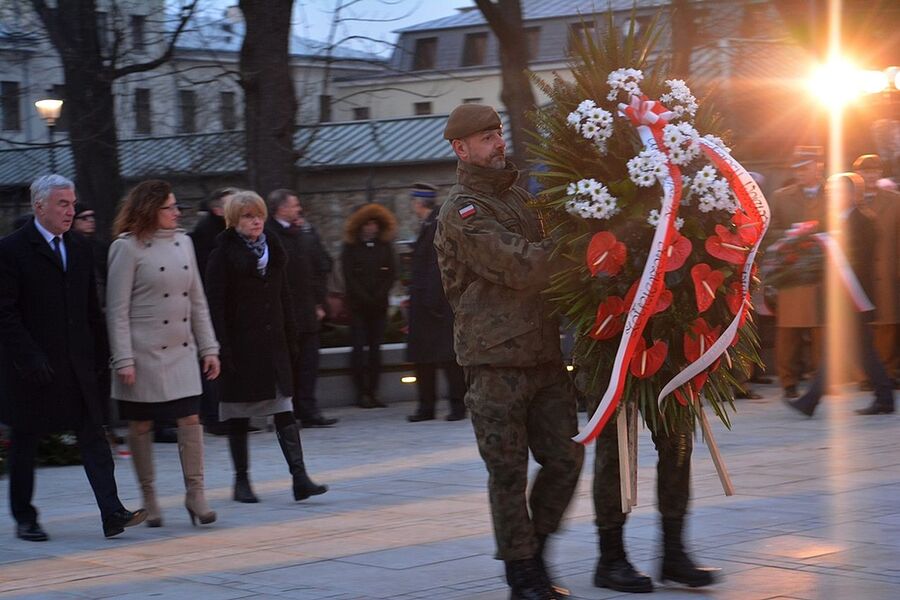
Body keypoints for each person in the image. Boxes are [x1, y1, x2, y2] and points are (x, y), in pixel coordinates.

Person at [433, 104, 584, 599]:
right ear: (460, 149)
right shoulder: (462, 211)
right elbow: (521, 266)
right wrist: (582, 244)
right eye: (484, 137)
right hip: (494, 361)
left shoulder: (521, 199)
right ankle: (523, 579)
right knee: (508, 472)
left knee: (565, 458)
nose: (498, 142)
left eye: (498, 132)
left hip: (542, 355)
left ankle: (534, 554)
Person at [0, 174, 146, 541]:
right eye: (62, 204)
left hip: (78, 364)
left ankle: (112, 512)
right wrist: (28, 356)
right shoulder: (12, 250)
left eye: (72, 204)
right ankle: (25, 517)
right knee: (26, 442)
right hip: (31, 369)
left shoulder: (80, 248)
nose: (71, 211)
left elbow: (90, 309)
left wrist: (103, 353)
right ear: (39, 207)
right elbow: (5, 312)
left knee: (93, 437)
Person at [106, 179, 221, 527]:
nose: (176, 212)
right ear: (149, 210)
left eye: (176, 206)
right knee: (141, 424)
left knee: (190, 420)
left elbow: (197, 301)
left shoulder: (184, 242)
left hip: (181, 351)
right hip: (143, 354)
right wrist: (123, 358)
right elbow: (116, 309)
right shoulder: (127, 248)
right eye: (169, 207)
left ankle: (196, 495)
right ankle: (150, 498)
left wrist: (209, 347)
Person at [205, 191, 328, 503]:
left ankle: (300, 477)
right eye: (248, 216)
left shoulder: (273, 249)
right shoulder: (222, 254)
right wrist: (219, 347)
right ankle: (241, 481)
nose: (256, 220)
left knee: (284, 410)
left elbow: (282, 297)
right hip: (240, 347)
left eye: (258, 214)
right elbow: (215, 305)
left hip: (273, 347)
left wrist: (290, 336)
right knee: (237, 415)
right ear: (234, 220)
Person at [785, 173, 895, 417]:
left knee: (844, 349)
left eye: (837, 191)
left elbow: (862, 260)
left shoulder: (865, 220)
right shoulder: (829, 220)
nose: (831, 195)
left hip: (854, 295)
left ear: (851, 194)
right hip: (838, 296)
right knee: (861, 349)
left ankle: (811, 401)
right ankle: (884, 397)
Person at [267, 189, 338, 428]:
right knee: (288, 367)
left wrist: (320, 303)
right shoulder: (269, 234)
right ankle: (288, 413)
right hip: (283, 315)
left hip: (308, 312)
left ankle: (309, 411)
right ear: (281, 209)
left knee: (309, 365)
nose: (298, 209)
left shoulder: (305, 232)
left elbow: (321, 265)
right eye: (294, 205)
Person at [768, 147, 826, 399]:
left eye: (806, 167)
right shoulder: (782, 196)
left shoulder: (834, 194)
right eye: (798, 168)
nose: (801, 172)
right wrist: (793, 235)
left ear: (819, 166)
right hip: (791, 273)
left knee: (821, 329)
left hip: (822, 272)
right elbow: (770, 231)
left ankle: (822, 379)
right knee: (788, 331)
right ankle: (788, 380)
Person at [406, 182, 466, 422]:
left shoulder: (435, 226)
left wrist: (432, 302)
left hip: (434, 305)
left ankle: (455, 405)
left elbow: (435, 265)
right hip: (426, 305)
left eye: (413, 201)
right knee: (425, 358)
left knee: (447, 359)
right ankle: (426, 406)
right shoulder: (428, 225)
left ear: (419, 203)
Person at [189, 188, 236, 436]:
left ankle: (226, 414)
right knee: (212, 362)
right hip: (211, 308)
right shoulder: (207, 235)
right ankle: (213, 416)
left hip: (224, 307)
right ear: (218, 210)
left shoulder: (225, 232)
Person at [341, 203, 397, 409]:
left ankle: (373, 391)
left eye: (374, 223)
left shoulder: (385, 246)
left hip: (378, 307)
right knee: (358, 349)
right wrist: (364, 296)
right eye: (367, 224)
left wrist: (379, 295)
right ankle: (360, 392)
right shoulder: (350, 248)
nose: (371, 228)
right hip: (358, 307)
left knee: (375, 351)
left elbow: (391, 273)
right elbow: (349, 276)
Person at [852, 154, 899, 393]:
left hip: (888, 271)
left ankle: (888, 373)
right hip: (859, 273)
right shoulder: (850, 202)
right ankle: (865, 376)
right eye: (865, 171)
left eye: (875, 171)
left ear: (880, 173)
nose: (871, 175)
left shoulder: (895, 200)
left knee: (888, 325)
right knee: (863, 327)